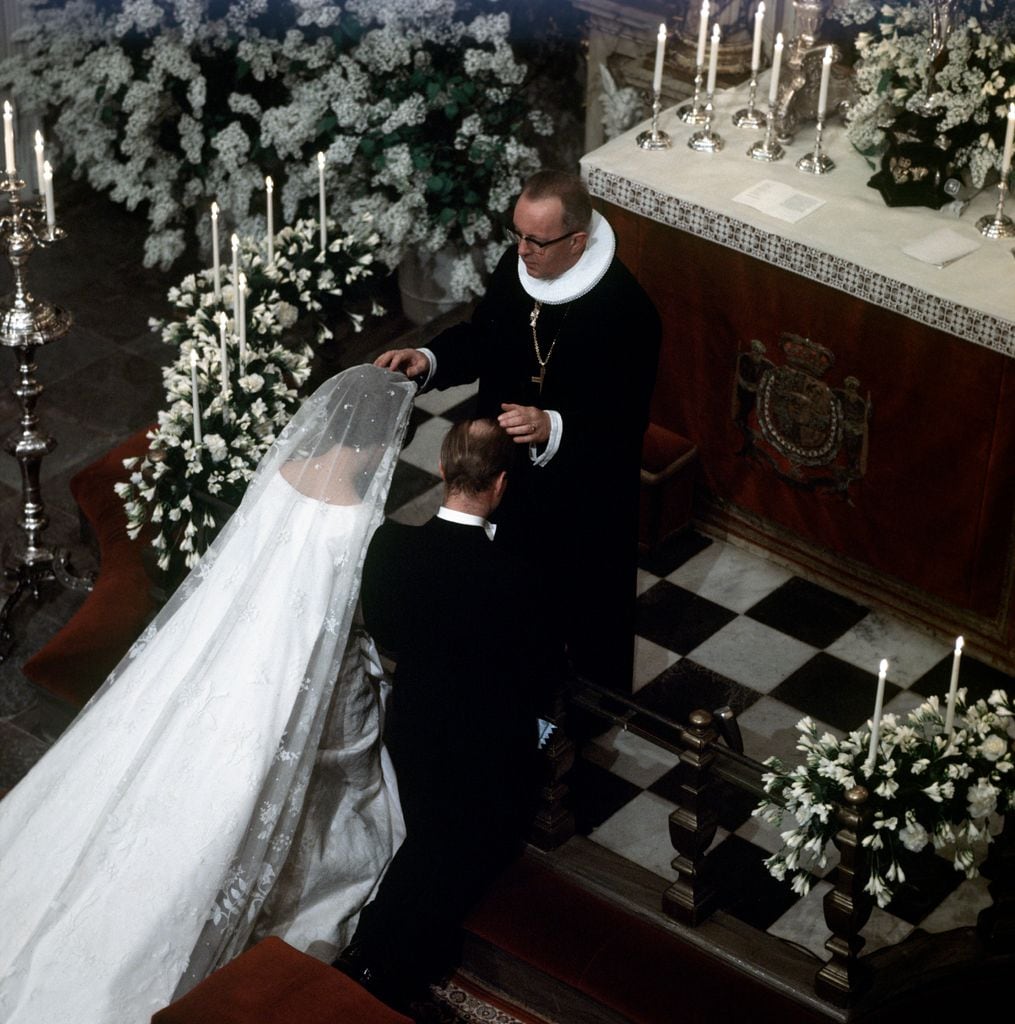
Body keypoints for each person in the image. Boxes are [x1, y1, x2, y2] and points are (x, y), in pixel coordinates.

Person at [0, 365, 416, 1024]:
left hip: (234, 642)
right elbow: (347, 613)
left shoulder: (282, 474)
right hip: (298, 657)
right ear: (374, 443)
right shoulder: (361, 521)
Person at [377, 169, 661, 690]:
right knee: (508, 596)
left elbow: (625, 424)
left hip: (582, 495)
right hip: (507, 474)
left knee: (577, 613)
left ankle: (578, 719)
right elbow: (484, 337)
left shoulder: (629, 312)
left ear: (578, 240)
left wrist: (551, 425)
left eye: (536, 239)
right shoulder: (518, 267)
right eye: (517, 233)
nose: (522, 250)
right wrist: (429, 358)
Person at [336, 418, 552, 1010]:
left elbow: (386, 632)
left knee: (434, 838)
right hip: (485, 741)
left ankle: (373, 958)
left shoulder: (391, 547)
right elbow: (535, 669)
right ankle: (381, 964)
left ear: (441, 469)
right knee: (453, 848)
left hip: (413, 726)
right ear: (502, 484)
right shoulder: (516, 574)